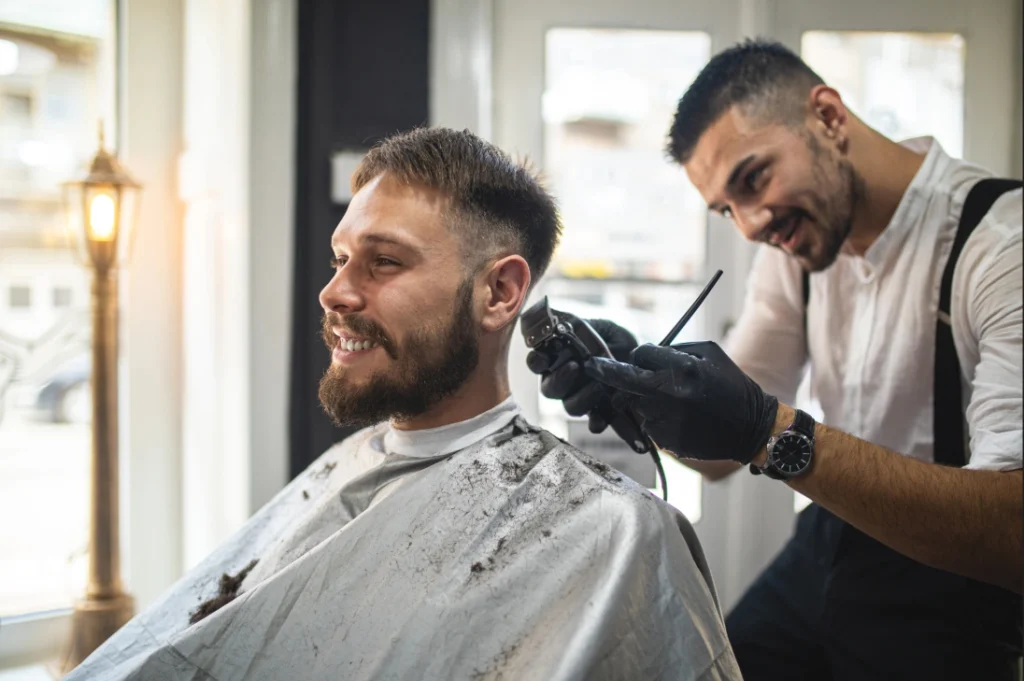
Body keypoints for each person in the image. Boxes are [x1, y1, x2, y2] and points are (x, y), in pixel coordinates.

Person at [65, 127, 741, 681]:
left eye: (383, 262)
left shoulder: (615, 534)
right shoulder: (347, 467)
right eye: (339, 258)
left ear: (501, 293)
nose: (335, 292)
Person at [530, 39, 1023, 680]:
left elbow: (1013, 534)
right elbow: (717, 455)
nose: (751, 226)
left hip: (950, 578)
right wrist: (639, 387)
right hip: (830, 536)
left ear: (828, 117)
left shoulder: (1000, 246)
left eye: (754, 179)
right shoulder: (802, 248)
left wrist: (766, 431)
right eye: (726, 208)